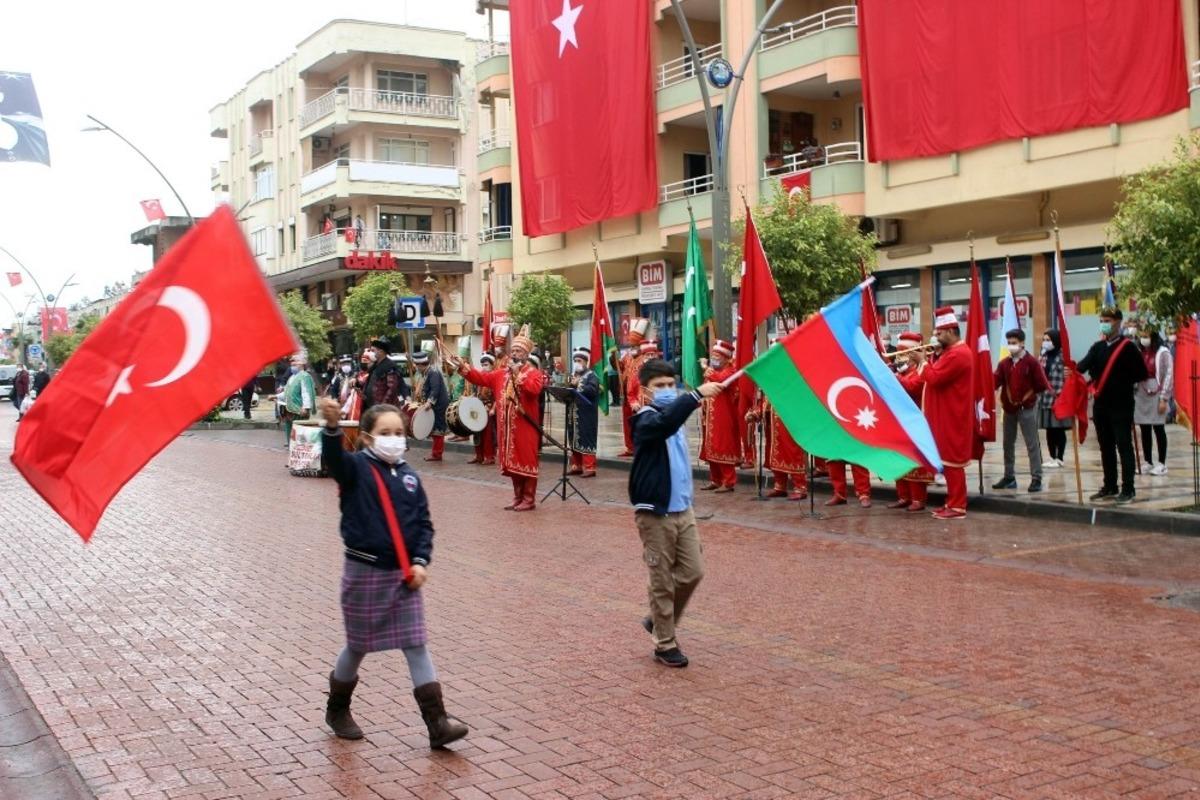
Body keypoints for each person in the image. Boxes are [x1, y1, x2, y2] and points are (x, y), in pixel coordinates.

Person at [316, 398, 469, 748]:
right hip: (364, 571)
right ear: (368, 438)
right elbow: (335, 461)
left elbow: (424, 526)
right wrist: (332, 429)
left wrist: (420, 560)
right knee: (357, 646)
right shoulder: (355, 468)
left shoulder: (411, 478)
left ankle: (437, 723)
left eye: (399, 432)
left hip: (402, 576)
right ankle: (337, 709)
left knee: (416, 645)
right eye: (385, 433)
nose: (394, 439)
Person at [628, 358, 724, 668]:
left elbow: (673, 419)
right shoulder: (644, 419)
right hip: (656, 513)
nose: (668, 390)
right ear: (646, 391)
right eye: (660, 386)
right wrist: (695, 395)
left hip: (683, 509)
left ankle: (658, 619)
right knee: (661, 580)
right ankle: (665, 644)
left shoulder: (674, 416)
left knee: (693, 571)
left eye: (672, 385)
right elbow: (664, 423)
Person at [459, 326, 545, 511]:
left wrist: (517, 374)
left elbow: (533, 389)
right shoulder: (501, 373)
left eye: (519, 351)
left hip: (525, 426)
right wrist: (462, 368)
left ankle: (529, 499)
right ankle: (517, 496)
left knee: (526, 460)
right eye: (513, 350)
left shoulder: (534, 373)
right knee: (512, 461)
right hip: (506, 428)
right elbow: (481, 378)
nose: (514, 353)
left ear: (526, 354)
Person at [1075, 307, 1148, 504]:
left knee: (1124, 445)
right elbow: (1081, 367)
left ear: (1118, 322)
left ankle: (1128, 488)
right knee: (1105, 446)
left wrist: (1120, 380)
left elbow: (1141, 374)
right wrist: (1070, 369)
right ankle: (1110, 485)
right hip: (1100, 405)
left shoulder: (1128, 348)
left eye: (1107, 319)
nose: (1104, 323)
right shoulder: (1097, 347)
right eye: (1101, 319)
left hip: (1121, 404)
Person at [916, 307, 975, 519]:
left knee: (953, 463)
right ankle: (951, 501)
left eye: (939, 333)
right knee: (947, 462)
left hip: (953, 416)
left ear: (950, 331)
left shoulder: (959, 354)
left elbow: (934, 379)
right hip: (945, 415)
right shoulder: (950, 353)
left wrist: (921, 361)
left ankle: (958, 505)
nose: (936, 337)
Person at [992, 329, 1050, 493]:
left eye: (1014, 342)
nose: (1011, 345)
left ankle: (1036, 478)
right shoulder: (1004, 363)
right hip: (1009, 409)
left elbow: (1041, 384)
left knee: (1032, 444)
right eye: (1009, 342)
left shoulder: (1032, 362)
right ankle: (1009, 477)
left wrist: (1028, 398)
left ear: (1022, 343)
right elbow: (995, 381)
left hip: (1027, 408)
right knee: (1007, 444)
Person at [892, 331, 933, 512]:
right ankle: (903, 496)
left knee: (914, 461)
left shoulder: (922, 369)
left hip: (915, 421)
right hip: (899, 421)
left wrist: (894, 378)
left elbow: (914, 387)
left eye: (903, 353)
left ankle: (918, 499)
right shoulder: (901, 370)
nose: (899, 357)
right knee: (899, 460)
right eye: (898, 352)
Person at [746, 394, 807, 500]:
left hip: (789, 421)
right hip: (773, 423)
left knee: (792, 453)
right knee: (776, 454)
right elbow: (767, 401)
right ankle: (780, 486)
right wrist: (756, 413)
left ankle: (800, 488)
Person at [699, 340, 740, 492]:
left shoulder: (731, 370)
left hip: (724, 416)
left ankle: (729, 482)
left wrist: (706, 368)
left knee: (723, 446)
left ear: (726, 358)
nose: (714, 357)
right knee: (711, 447)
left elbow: (721, 381)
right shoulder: (714, 371)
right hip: (710, 416)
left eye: (718, 355)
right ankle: (716, 479)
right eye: (713, 354)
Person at [1134, 327, 1172, 476]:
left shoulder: (1163, 352)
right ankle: (1148, 462)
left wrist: (1164, 398)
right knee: (1144, 428)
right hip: (1141, 391)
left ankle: (1162, 463)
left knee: (1158, 428)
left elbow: (1169, 374)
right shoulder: (1138, 351)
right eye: (1141, 335)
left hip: (1157, 391)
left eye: (1146, 335)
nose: (1144, 338)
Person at [1038, 329, 1072, 468]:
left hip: (1059, 398)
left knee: (1058, 429)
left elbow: (1069, 376)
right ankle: (1052, 457)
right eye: (1044, 340)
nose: (1046, 343)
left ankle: (1060, 457)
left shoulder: (1063, 356)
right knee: (1049, 429)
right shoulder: (1043, 356)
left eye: (1049, 340)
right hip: (1045, 398)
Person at [618, 318, 651, 457]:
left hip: (638, 396)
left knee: (638, 423)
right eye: (630, 344)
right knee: (627, 423)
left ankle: (639, 447)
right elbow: (620, 367)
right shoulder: (627, 357)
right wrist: (612, 359)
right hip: (626, 395)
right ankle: (630, 447)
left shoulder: (645, 358)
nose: (632, 348)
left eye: (634, 344)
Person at [567, 346, 600, 478]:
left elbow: (592, 390)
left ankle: (590, 468)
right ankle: (577, 466)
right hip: (573, 413)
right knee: (574, 439)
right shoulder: (574, 375)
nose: (577, 363)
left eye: (579, 360)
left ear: (586, 362)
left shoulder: (592, 375)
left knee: (586, 439)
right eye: (575, 360)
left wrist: (578, 384)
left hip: (587, 414)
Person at [411, 350, 449, 462]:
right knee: (434, 429)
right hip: (434, 404)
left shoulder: (433, 372)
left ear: (420, 364)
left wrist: (429, 402)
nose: (416, 368)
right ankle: (435, 453)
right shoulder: (428, 372)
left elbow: (435, 389)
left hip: (438, 405)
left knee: (438, 429)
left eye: (416, 365)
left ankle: (437, 454)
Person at [280, 353, 316, 445]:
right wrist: (276, 397)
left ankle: (300, 448)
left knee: (300, 431)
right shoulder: (291, 377)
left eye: (295, 361)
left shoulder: (305, 376)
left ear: (303, 363)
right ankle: (291, 446)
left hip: (299, 410)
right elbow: (287, 393)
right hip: (290, 409)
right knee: (290, 430)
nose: (292, 363)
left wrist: (306, 407)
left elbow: (306, 392)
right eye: (291, 361)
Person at [467, 354, 497, 466]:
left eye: (486, 365)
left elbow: (498, 397)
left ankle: (489, 456)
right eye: (482, 365)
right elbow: (476, 393)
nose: (484, 367)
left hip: (489, 409)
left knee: (488, 435)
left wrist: (493, 409)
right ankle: (478, 455)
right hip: (478, 408)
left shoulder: (494, 378)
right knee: (476, 433)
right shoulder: (480, 378)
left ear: (492, 365)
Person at [364, 337, 409, 407]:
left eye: (373, 350)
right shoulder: (374, 365)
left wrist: (383, 405)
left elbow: (392, 388)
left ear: (381, 352)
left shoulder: (390, 366)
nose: (371, 353)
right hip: (372, 406)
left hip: (384, 409)